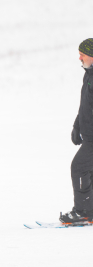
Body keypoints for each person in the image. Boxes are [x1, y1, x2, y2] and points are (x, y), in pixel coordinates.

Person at [60, 38, 93, 223]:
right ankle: (90, 210)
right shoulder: (89, 74)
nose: (79, 57)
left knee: (79, 168)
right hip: (89, 134)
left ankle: (83, 210)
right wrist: (77, 125)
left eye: (83, 54)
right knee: (88, 170)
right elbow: (86, 105)